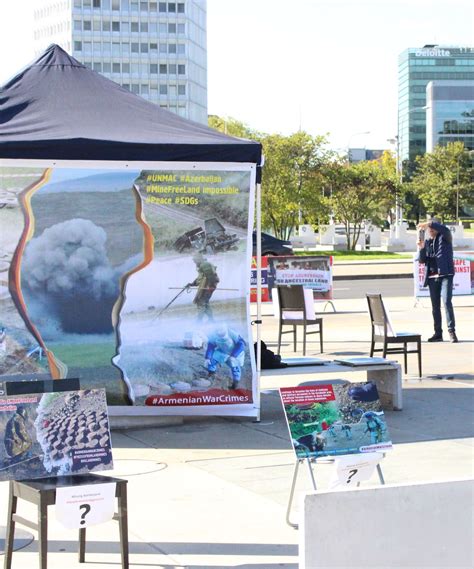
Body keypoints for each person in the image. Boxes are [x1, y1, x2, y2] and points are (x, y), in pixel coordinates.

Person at [417, 219, 457, 342]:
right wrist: (422, 247)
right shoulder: (428, 242)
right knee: (435, 307)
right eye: (429, 229)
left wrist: (428, 223)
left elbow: (443, 229)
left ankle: (452, 332)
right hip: (432, 277)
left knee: (446, 302)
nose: (430, 230)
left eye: (432, 228)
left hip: (446, 274)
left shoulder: (445, 237)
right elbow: (422, 260)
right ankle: (438, 333)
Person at [205, 325, 246, 389]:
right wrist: (208, 357)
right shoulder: (213, 336)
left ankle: (235, 383)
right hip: (222, 352)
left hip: (235, 353)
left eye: (221, 330)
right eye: (217, 331)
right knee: (212, 360)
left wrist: (233, 355)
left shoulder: (232, 333)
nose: (219, 332)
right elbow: (210, 347)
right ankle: (211, 374)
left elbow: (241, 344)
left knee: (235, 367)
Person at [188, 253, 219, 322]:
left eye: (195, 260)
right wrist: (192, 284)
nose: (194, 262)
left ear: (198, 259)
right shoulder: (202, 265)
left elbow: (211, 276)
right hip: (206, 286)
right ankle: (211, 320)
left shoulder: (205, 265)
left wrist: (210, 286)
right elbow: (201, 278)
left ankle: (199, 322)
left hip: (207, 287)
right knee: (205, 303)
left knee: (201, 302)